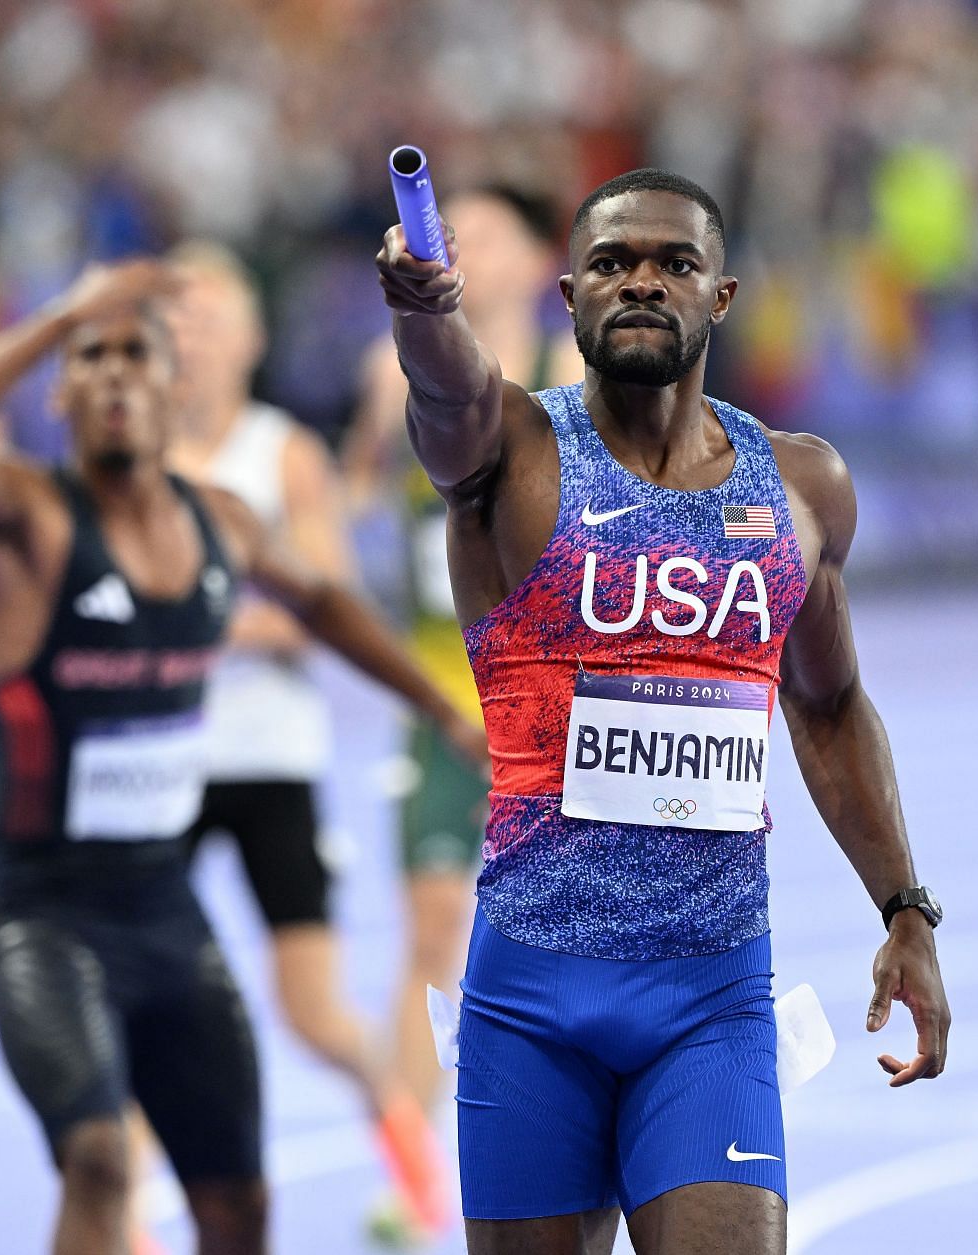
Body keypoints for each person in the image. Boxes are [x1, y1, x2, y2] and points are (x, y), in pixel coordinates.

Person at [375, 167, 952, 1255]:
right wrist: (427, 308)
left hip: (712, 997)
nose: (642, 282)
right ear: (570, 296)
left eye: (673, 263)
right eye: (611, 263)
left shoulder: (801, 486)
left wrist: (905, 908)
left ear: (720, 296)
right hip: (531, 994)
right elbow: (447, 393)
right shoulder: (512, 453)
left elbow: (828, 708)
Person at [0, 260, 484, 1255]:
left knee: (239, 1204)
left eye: (137, 356)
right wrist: (56, 319)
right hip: (42, 912)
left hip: (165, 906)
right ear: (63, 393)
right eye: (93, 360)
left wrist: (442, 707)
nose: (116, 374)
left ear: (176, 387)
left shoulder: (223, 519)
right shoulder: (28, 515)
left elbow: (328, 605)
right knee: (98, 1159)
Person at [163, 240, 448, 1234]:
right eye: (174, 313)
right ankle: (124, 1210)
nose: (188, 332)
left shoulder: (280, 452)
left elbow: (325, 603)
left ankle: (406, 1139)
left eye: (210, 314)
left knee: (311, 1012)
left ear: (251, 338)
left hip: (268, 761)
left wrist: (203, 620)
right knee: (130, 993)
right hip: (153, 768)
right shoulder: (130, 453)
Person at [342, 184, 583, 1147]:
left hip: (559, 703)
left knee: (564, 938)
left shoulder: (571, 367)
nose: (460, 243)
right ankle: (408, 1162)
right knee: (433, 932)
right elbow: (351, 480)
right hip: (444, 700)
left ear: (534, 264)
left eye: (483, 234)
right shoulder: (381, 368)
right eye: (453, 230)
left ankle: (554, 1136)